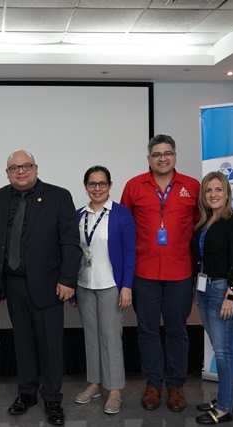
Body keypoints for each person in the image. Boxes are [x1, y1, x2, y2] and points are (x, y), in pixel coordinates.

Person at [0, 150, 82, 426]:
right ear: (7, 172)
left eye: (26, 166)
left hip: (49, 285)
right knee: (23, 343)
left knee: (50, 345)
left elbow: (70, 242)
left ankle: (52, 399)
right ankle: (27, 393)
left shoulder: (58, 196)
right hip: (14, 284)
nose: (21, 171)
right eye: (14, 167)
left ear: (36, 168)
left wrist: (67, 279)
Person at [120, 134, 200, 411]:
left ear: (175, 156)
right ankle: (153, 385)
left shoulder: (192, 186)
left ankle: (176, 386)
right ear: (149, 158)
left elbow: (201, 228)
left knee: (178, 331)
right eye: (157, 154)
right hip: (144, 273)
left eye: (167, 153)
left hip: (180, 272)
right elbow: (124, 228)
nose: (162, 158)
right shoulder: (134, 186)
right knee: (148, 332)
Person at [72, 166, 135, 415]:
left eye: (102, 184)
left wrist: (127, 286)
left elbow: (130, 252)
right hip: (85, 284)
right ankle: (95, 384)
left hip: (111, 286)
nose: (97, 188)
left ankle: (115, 390)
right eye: (92, 184)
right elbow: (74, 252)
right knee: (91, 337)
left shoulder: (121, 214)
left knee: (111, 339)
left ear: (110, 185)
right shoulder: (78, 215)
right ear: (86, 186)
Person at [189, 172, 233, 425]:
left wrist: (231, 295)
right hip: (205, 288)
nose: (213, 194)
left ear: (227, 193)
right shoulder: (204, 223)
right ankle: (225, 398)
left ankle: (225, 408)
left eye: (218, 189)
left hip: (224, 290)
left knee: (224, 351)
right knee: (220, 348)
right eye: (208, 190)